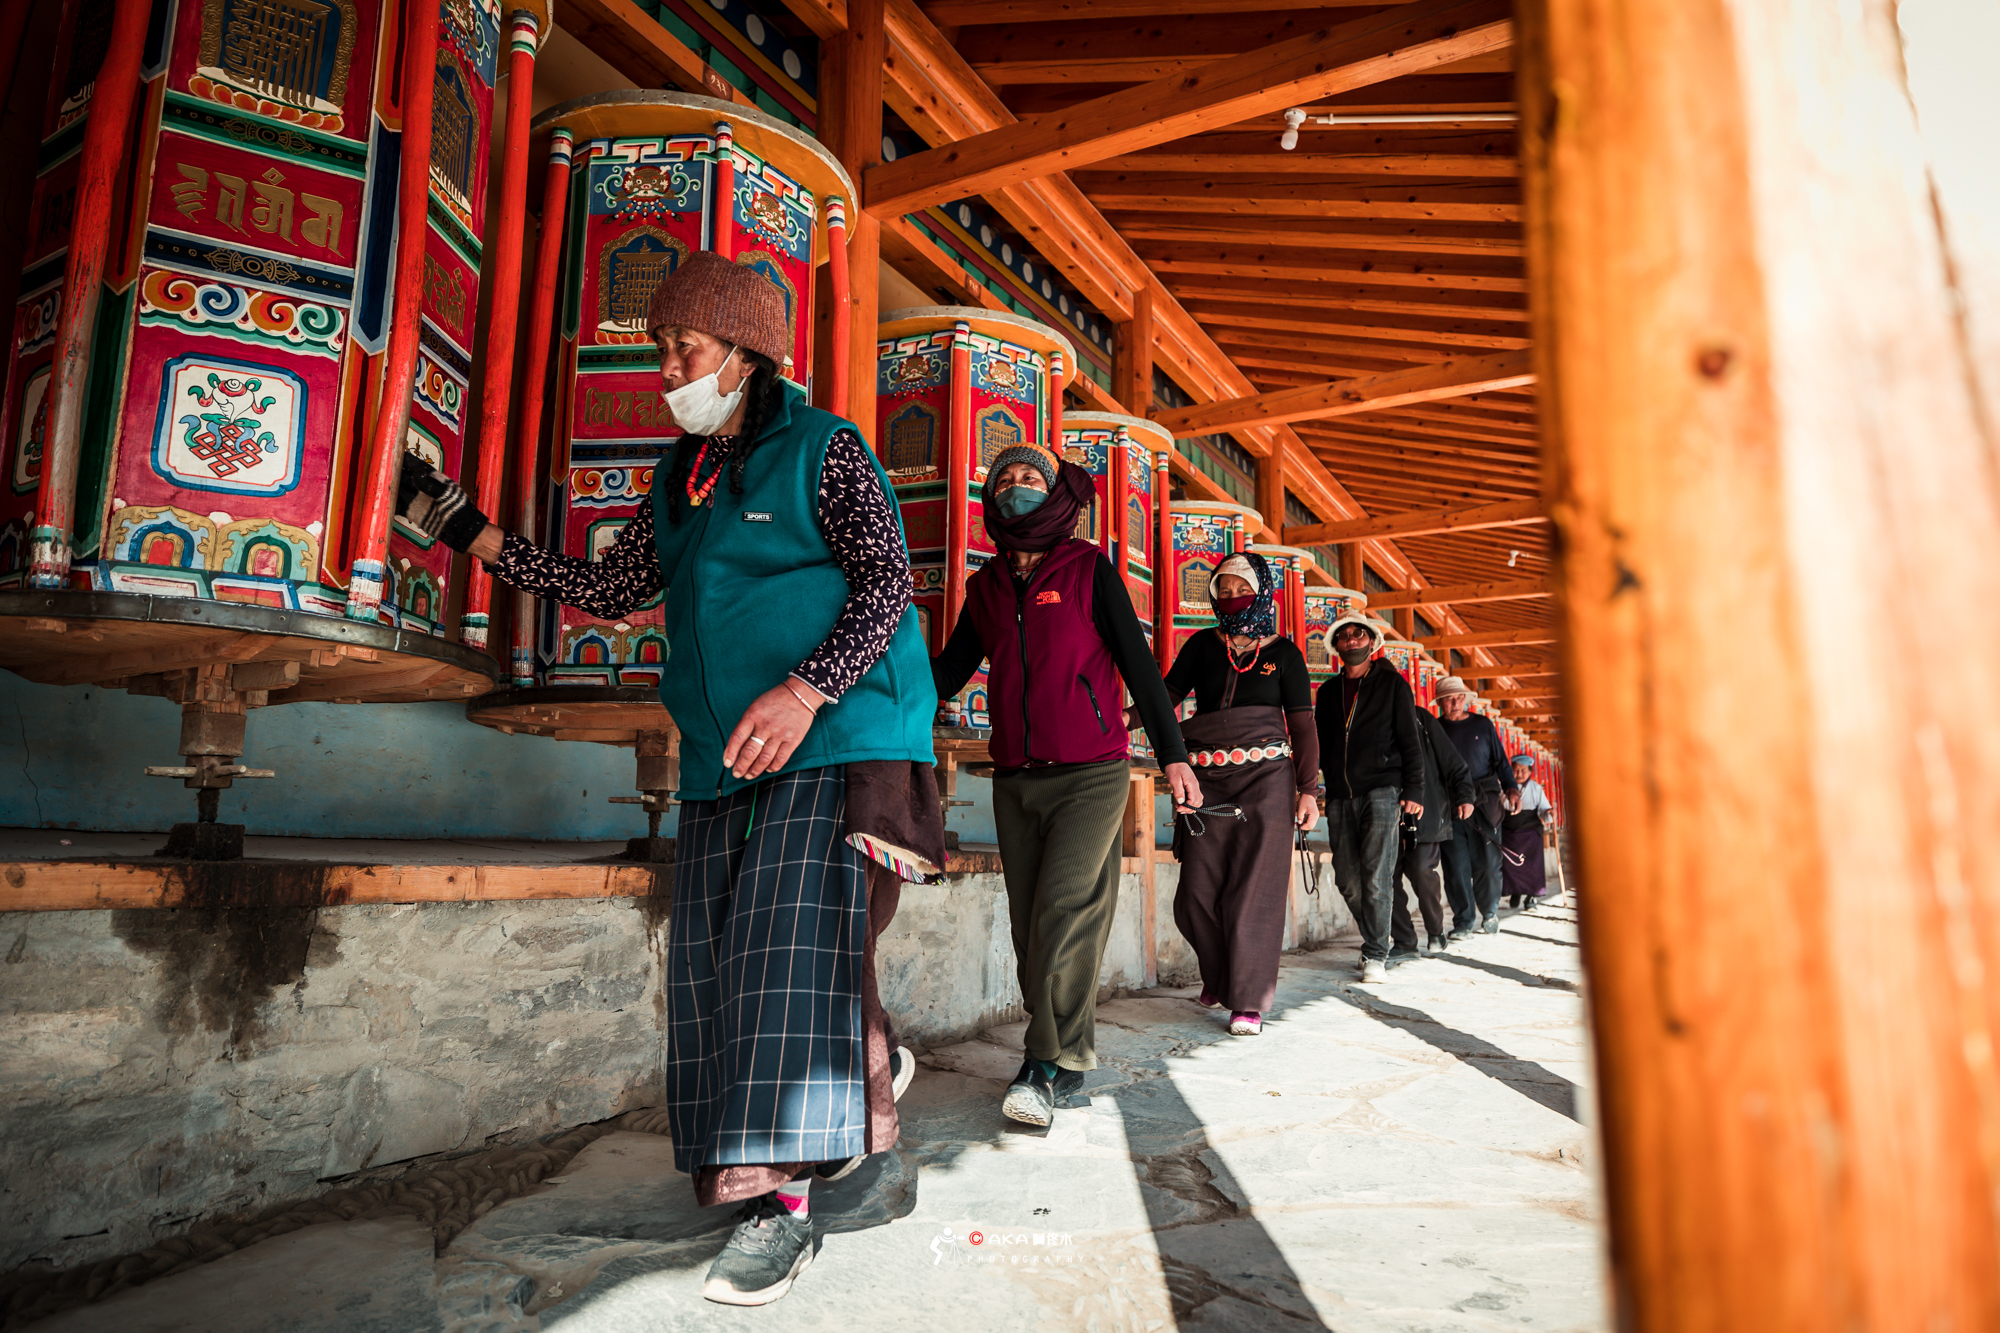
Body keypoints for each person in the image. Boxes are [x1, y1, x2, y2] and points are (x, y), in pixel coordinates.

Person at [394, 251, 936, 1308]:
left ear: (746, 354)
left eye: (685, 348)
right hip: (722, 756)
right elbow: (609, 587)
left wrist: (805, 691)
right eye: (661, 349)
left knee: (777, 961)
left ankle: (780, 1210)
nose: (667, 369)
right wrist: (466, 529)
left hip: (830, 737)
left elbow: (886, 583)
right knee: (714, 969)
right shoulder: (680, 475)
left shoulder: (824, 449)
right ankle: (866, 1067)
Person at [932, 442, 1202, 1124]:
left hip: (1091, 772)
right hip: (1016, 777)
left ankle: (1039, 1065)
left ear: (1053, 493)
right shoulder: (986, 588)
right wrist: (877, 699)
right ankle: (1070, 1054)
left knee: (1064, 911)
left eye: (1031, 477)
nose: (1017, 485)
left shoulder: (1087, 568)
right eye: (1006, 479)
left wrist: (1173, 756)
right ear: (991, 498)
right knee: (1032, 928)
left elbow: (1140, 666)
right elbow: (951, 670)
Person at [1154, 551, 1321, 1036]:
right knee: (1195, 894)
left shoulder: (1285, 654)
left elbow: (1303, 727)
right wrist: (1122, 719)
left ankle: (1247, 1002)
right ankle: (1219, 975)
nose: (1231, 597)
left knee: (1254, 893)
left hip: (1267, 780)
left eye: (1241, 589)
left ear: (1262, 592)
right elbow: (1165, 698)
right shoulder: (1202, 646)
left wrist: (1308, 791)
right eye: (1223, 590)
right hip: (1205, 782)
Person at [1314, 614, 1424, 983]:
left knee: (1377, 876)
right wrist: (1307, 787)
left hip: (1383, 789)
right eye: (1343, 636)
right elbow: (1320, 744)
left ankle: (1376, 954)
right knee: (1347, 878)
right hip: (1339, 793)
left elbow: (1410, 740)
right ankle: (1379, 936)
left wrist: (1414, 788)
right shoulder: (1327, 693)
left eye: (1358, 634)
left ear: (1371, 642)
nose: (1351, 640)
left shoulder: (1393, 685)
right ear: (1336, 647)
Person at [1390, 697, 1475, 961]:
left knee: (1421, 870)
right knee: (1386, 876)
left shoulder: (1420, 718)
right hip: (1386, 809)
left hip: (1425, 810)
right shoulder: (1370, 716)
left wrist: (1465, 796)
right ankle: (1404, 939)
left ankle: (1436, 931)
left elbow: (1453, 762)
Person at [1434, 677, 1518, 937]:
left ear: (1465, 699)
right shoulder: (1436, 729)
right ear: (1440, 702)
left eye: (1459, 697)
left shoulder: (1483, 725)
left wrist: (1512, 788)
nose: (1455, 702)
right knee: (1456, 866)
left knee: (1488, 863)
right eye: (1449, 698)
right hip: (1450, 805)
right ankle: (1463, 922)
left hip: (1485, 802)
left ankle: (1489, 912)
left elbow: (1501, 762)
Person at [1502, 751, 1555, 909]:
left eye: (1523, 770)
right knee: (1511, 867)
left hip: (1531, 834)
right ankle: (1515, 891)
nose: (1519, 774)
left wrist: (1549, 812)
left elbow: (1544, 809)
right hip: (1509, 834)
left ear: (1530, 772)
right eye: (1515, 770)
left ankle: (1531, 897)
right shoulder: (1504, 788)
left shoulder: (1536, 788)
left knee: (1532, 868)